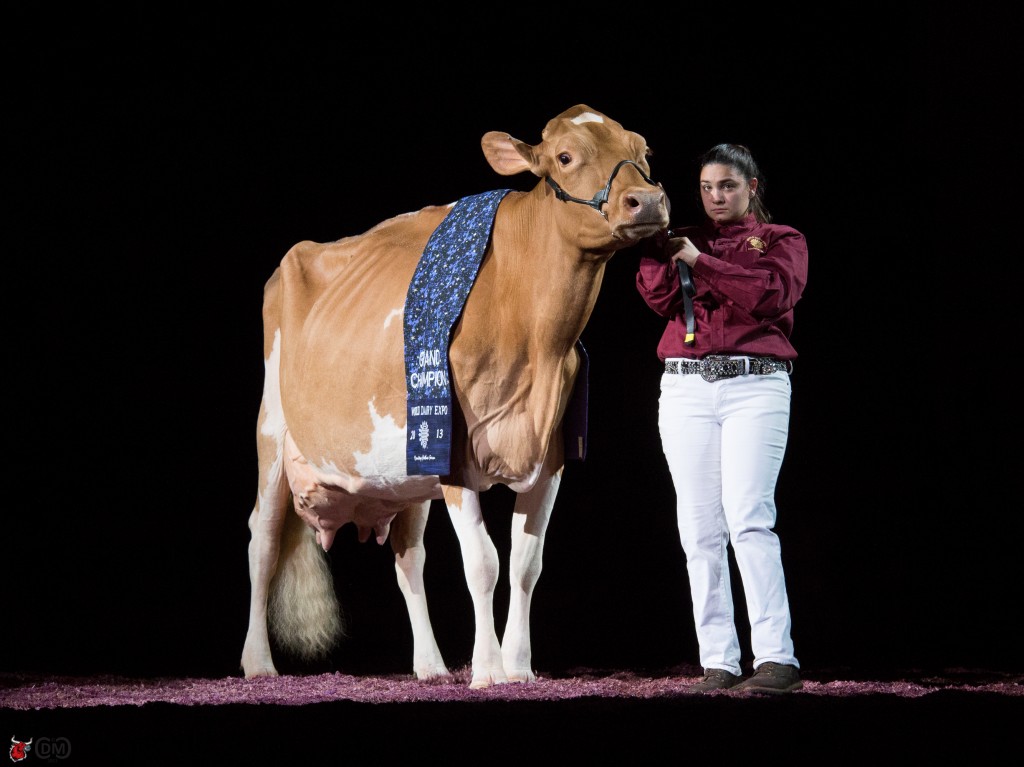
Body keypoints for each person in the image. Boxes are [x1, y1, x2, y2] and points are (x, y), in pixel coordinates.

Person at [635, 143, 808, 694]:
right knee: (699, 528)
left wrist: (701, 263)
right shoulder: (685, 238)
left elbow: (771, 295)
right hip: (686, 387)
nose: (716, 197)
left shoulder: (783, 241)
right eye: (707, 187)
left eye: (728, 186)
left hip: (755, 385)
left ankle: (777, 659)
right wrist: (652, 243)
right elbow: (658, 297)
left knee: (749, 517)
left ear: (751, 186)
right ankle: (719, 661)